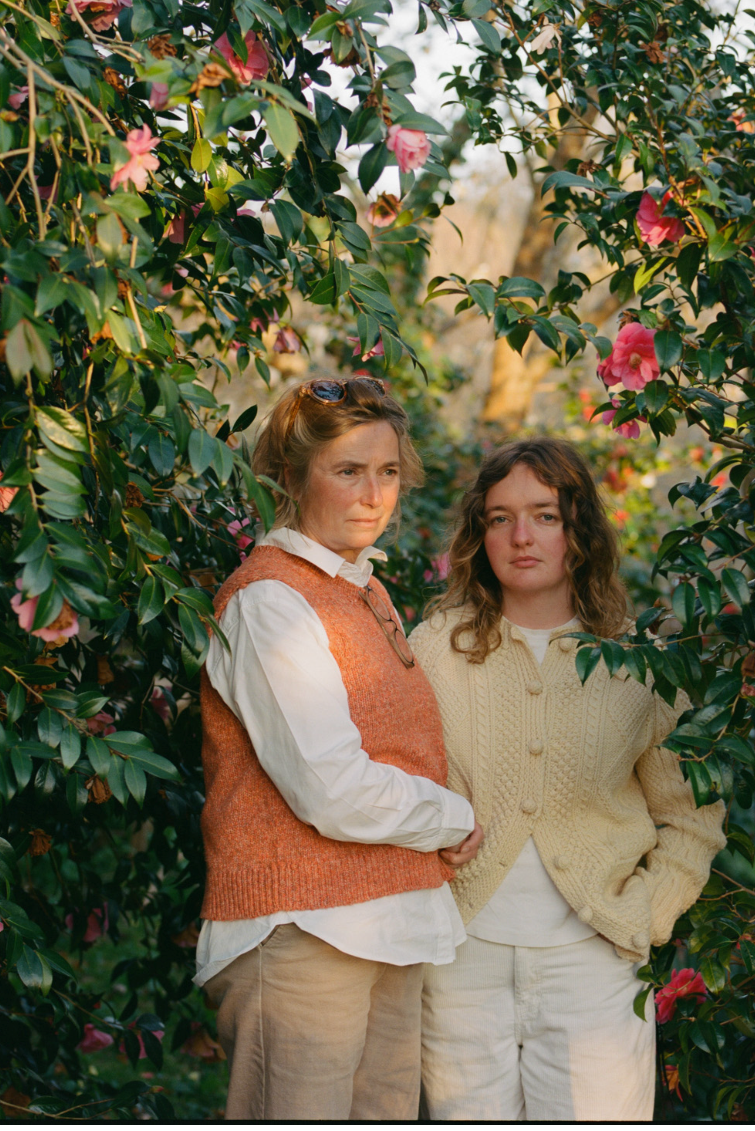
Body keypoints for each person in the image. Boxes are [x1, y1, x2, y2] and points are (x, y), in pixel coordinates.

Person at [410, 437, 727, 1121]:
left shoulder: (638, 661)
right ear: (480, 533)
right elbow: (392, 783)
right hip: (459, 960)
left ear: (578, 529)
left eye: (545, 516)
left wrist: (648, 914)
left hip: (595, 963)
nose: (521, 537)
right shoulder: (434, 649)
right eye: (500, 518)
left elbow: (693, 812)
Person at [195, 375, 483, 1121]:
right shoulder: (270, 599)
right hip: (303, 935)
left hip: (390, 925)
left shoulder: (361, 591)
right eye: (348, 470)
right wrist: (451, 818)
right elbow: (330, 786)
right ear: (293, 478)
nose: (373, 495)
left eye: (387, 471)